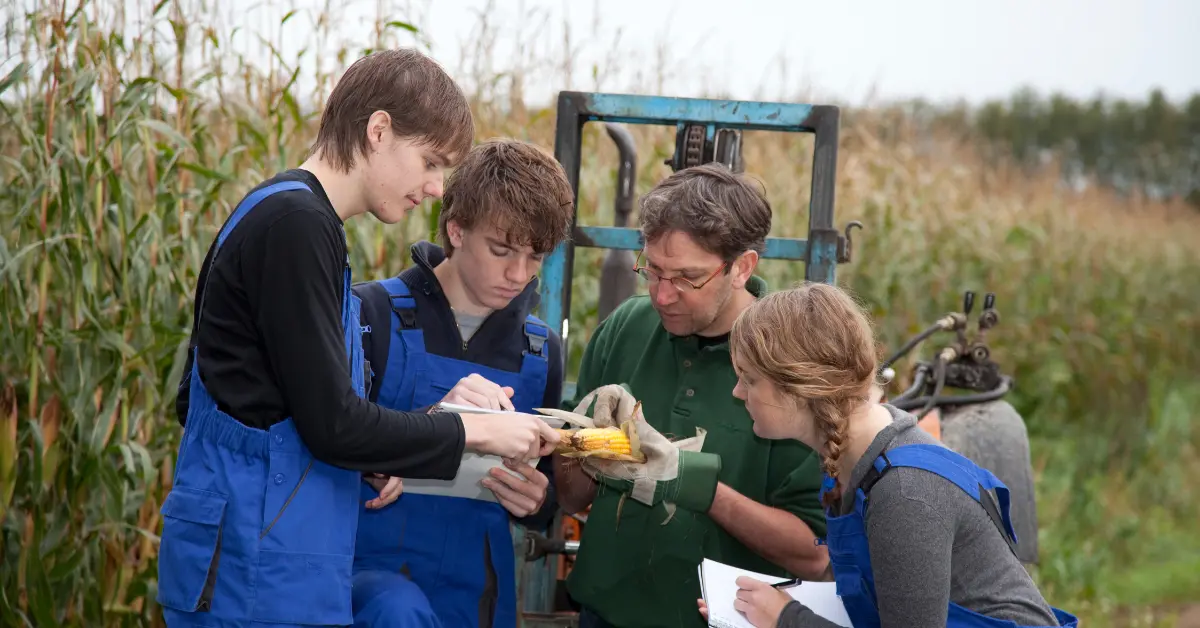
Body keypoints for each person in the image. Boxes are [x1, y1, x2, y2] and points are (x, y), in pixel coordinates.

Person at [158, 50, 560, 628]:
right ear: (378, 131)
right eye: (430, 161)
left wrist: (371, 461)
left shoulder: (302, 222)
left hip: (281, 561)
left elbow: (255, 400)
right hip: (253, 568)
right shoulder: (296, 226)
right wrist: (476, 428)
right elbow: (334, 425)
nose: (435, 187)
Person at [703, 282, 1078, 628]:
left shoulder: (904, 492)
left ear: (800, 388)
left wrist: (787, 619)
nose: (738, 393)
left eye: (749, 379)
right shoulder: (855, 456)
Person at [553, 163, 831, 628]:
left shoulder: (793, 364)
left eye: (686, 278)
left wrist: (692, 484)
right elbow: (568, 499)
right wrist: (579, 445)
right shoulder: (624, 329)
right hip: (604, 614)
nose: (663, 296)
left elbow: (814, 556)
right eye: (653, 271)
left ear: (742, 266)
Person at [349, 138, 575, 628]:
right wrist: (383, 457)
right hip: (367, 582)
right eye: (501, 251)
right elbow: (320, 438)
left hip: (479, 597)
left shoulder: (542, 351)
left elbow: (549, 491)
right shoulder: (369, 315)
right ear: (456, 230)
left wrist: (538, 503)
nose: (519, 274)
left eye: (536, 257)